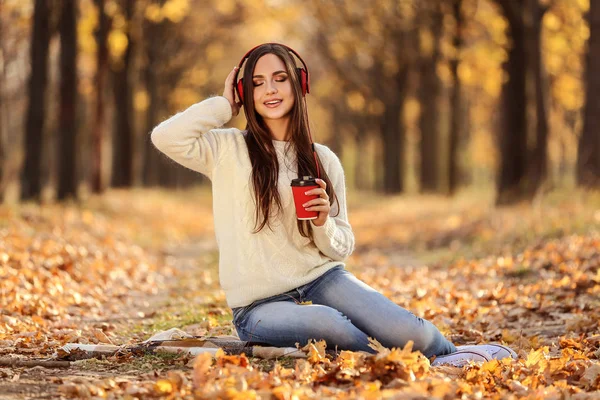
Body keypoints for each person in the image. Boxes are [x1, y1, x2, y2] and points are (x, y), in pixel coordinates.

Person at [150, 43, 516, 366]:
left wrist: (324, 221)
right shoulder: (225, 149)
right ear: (245, 91)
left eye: (280, 78)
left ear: (299, 85)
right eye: (257, 83)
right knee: (330, 324)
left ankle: (451, 354)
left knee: (409, 331)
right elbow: (165, 137)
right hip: (257, 307)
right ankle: (413, 365)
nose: (270, 90)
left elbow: (343, 246)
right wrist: (224, 104)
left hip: (322, 277)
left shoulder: (323, 159)